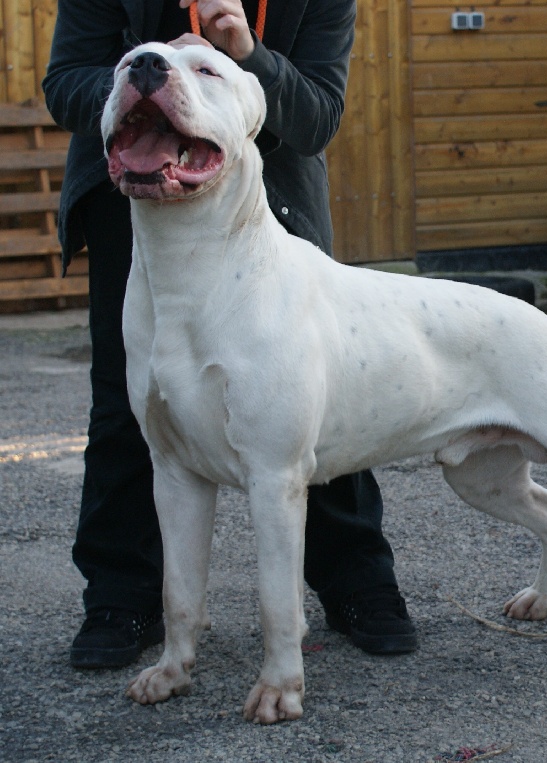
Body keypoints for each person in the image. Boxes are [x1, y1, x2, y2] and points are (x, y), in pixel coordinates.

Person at [42, 0, 417, 668]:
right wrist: (148, 81)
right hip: (135, 207)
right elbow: (66, 81)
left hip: (267, 200)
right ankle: (121, 597)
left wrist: (246, 56)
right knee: (125, 407)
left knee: (315, 393)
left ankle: (357, 580)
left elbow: (317, 118)